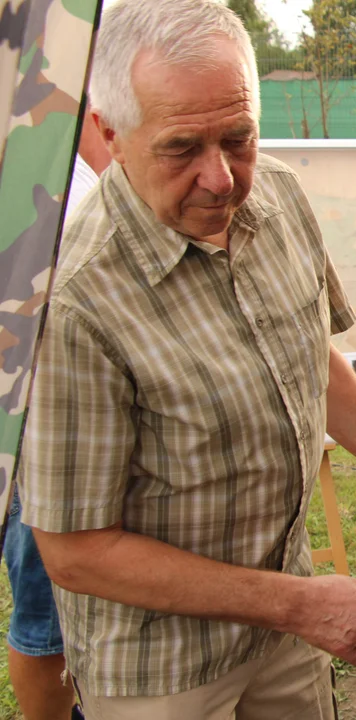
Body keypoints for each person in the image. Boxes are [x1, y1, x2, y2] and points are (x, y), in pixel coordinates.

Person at [16, 1, 356, 717]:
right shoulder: (75, 302)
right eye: (182, 148)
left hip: (284, 630)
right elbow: (74, 550)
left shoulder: (282, 201)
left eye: (239, 139)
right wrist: (297, 605)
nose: (222, 178)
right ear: (111, 133)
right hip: (163, 670)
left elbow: (310, 360)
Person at [3, 103, 111, 720]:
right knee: (46, 621)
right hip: (41, 429)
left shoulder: (83, 180)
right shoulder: (47, 178)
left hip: (81, 425)